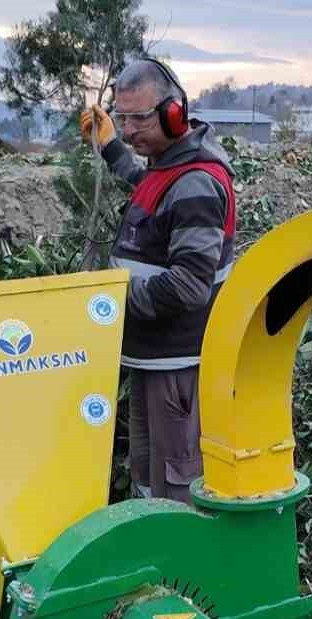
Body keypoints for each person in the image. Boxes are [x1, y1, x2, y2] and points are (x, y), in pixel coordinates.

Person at [79, 58, 237, 502]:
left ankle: (185, 570)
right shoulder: (167, 167)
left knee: (177, 487)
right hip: (151, 360)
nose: (129, 131)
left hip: (177, 366)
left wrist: (106, 300)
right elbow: (145, 186)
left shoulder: (196, 183)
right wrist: (110, 147)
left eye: (139, 118)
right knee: (150, 480)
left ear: (174, 112)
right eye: (122, 117)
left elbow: (189, 285)